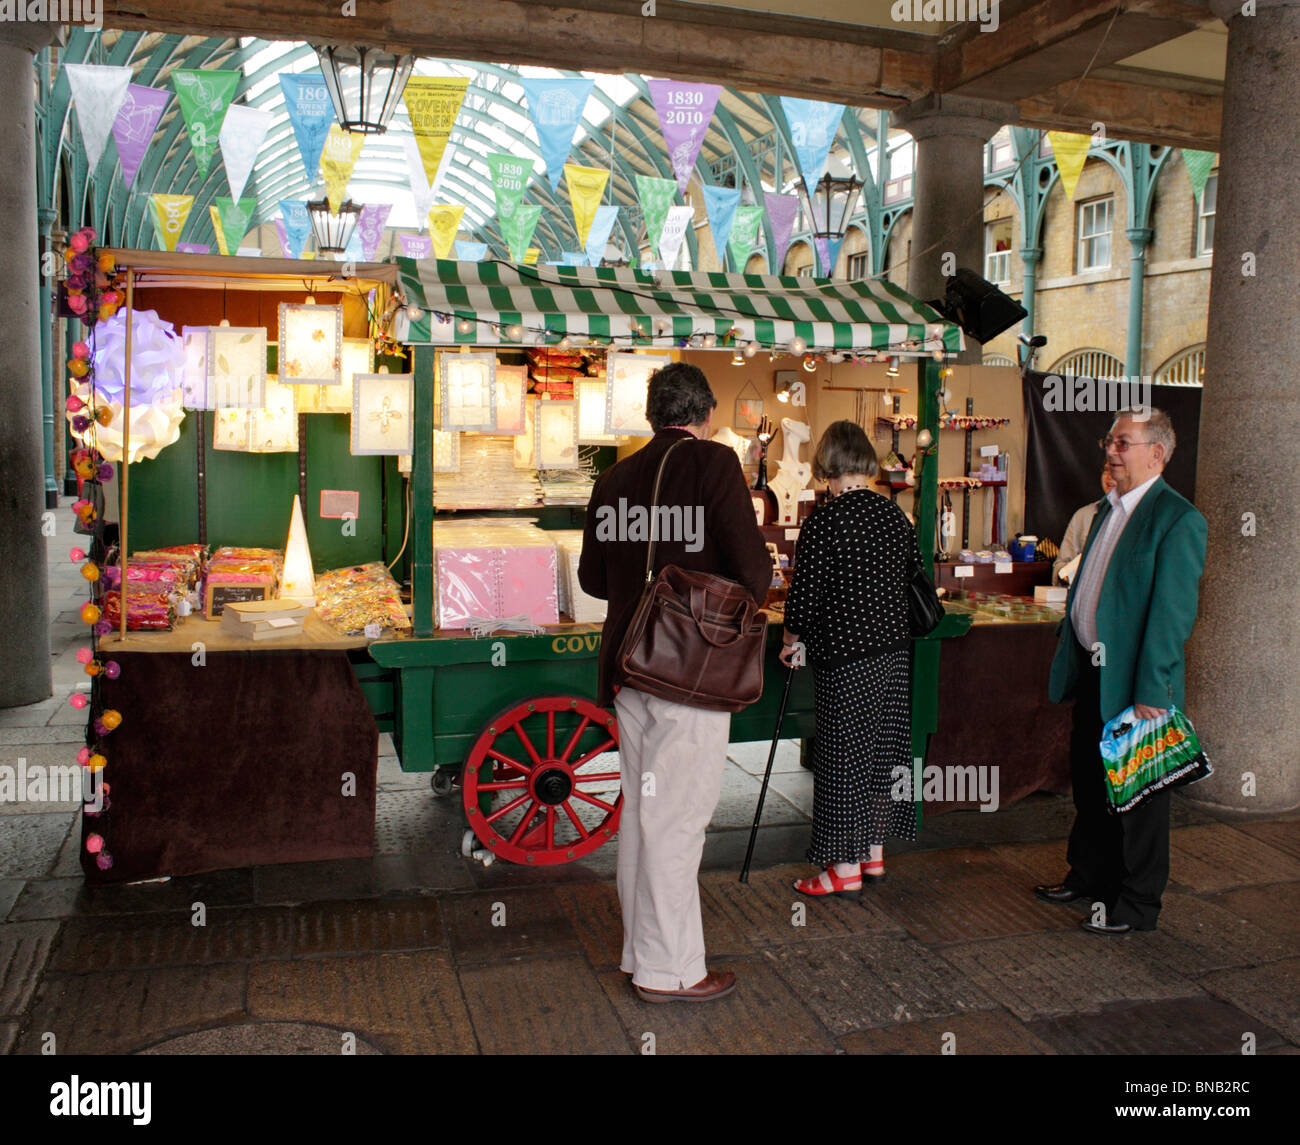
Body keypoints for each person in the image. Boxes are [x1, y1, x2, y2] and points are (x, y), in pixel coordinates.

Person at [578, 361, 770, 1003]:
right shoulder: (715, 464)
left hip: (629, 668)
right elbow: (753, 572)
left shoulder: (613, 477)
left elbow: (593, 581)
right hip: (690, 672)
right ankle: (673, 972)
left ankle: (643, 952)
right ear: (706, 414)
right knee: (677, 820)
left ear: (652, 415)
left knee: (643, 812)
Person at [1036, 407, 1207, 934]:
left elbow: (1172, 612)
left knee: (1141, 797)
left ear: (1157, 454)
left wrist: (1153, 686)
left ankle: (1136, 905)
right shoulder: (1109, 509)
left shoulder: (1177, 519)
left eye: (1123, 443)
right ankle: (1089, 876)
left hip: (1137, 686)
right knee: (1090, 783)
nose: (1111, 450)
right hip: (1095, 672)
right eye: (1110, 441)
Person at [779, 420, 921, 896]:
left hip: (845, 657)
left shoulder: (826, 518)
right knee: (883, 754)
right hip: (894, 654)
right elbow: (912, 581)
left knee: (843, 759)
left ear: (828, 465)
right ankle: (874, 855)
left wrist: (789, 640)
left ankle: (843, 870)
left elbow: (803, 598)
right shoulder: (894, 517)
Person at [1053, 467, 1116, 584]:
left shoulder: (1141, 516)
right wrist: (1065, 573)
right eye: (1106, 470)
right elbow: (1061, 564)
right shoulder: (1083, 515)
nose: (1109, 477)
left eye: (1116, 469)